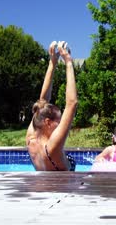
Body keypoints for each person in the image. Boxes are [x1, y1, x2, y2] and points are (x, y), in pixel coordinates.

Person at [25, 41, 78, 171]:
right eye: (58, 121)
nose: (61, 124)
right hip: (61, 189)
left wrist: (52, 63)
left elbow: (42, 101)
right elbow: (72, 104)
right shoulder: (53, 146)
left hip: (40, 186)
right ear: (48, 122)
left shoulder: (31, 138)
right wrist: (69, 62)